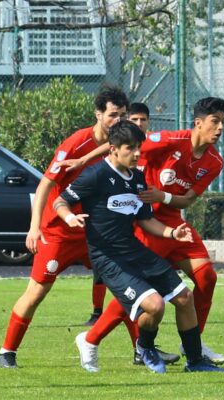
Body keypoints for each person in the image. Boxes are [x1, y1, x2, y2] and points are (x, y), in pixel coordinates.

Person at [0, 86, 167, 368]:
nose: (119, 121)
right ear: (98, 114)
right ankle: (7, 351)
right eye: (113, 115)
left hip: (98, 233)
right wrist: (34, 227)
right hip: (60, 231)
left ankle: (140, 350)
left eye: (123, 115)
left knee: (128, 289)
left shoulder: (121, 145)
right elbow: (46, 185)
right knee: (37, 292)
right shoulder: (74, 143)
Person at [62, 97, 224, 365]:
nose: (220, 127)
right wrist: (83, 159)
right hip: (146, 223)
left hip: (172, 221)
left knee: (207, 277)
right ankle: (92, 338)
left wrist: (162, 196)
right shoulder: (170, 140)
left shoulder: (214, 162)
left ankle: (193, 345)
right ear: (198, 123)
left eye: (223, 122)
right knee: (141, 293)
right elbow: (121, 144)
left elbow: (187, 200)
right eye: (215, 121)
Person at [82, 101, 153, 328]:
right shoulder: (100, 169)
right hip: (103, 238)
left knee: (144, 295)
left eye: (143, 119)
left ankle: (140, 349)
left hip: (139, 227)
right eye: (133, 119)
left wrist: (171, 225)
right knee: (37, 289)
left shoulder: (151, 146)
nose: (138, 123)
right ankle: (95, 319)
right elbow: (58, 195)